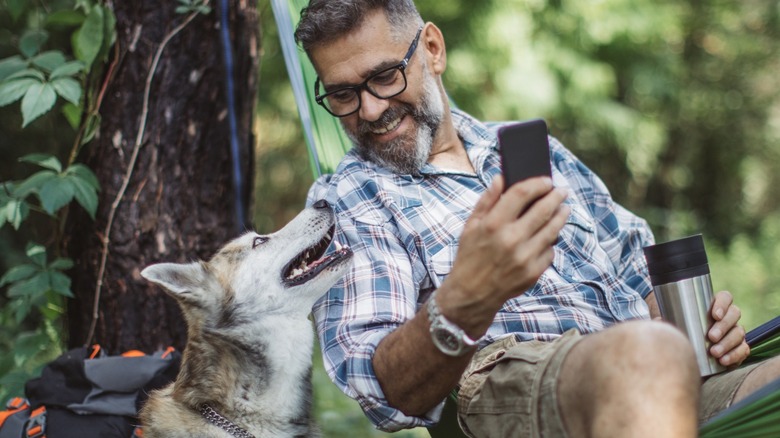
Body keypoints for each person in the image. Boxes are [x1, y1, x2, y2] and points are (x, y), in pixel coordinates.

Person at [294, 1, 780, 436]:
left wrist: (707, 331)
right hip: (516, 382)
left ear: (433, 49)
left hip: (661, 380)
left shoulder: (533, 150)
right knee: (643, 356)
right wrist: (465, 299)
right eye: (343, 95)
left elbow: (635, 266)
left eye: (384, 76)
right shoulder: (351, 199)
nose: (370, 108)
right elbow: (383, 393)